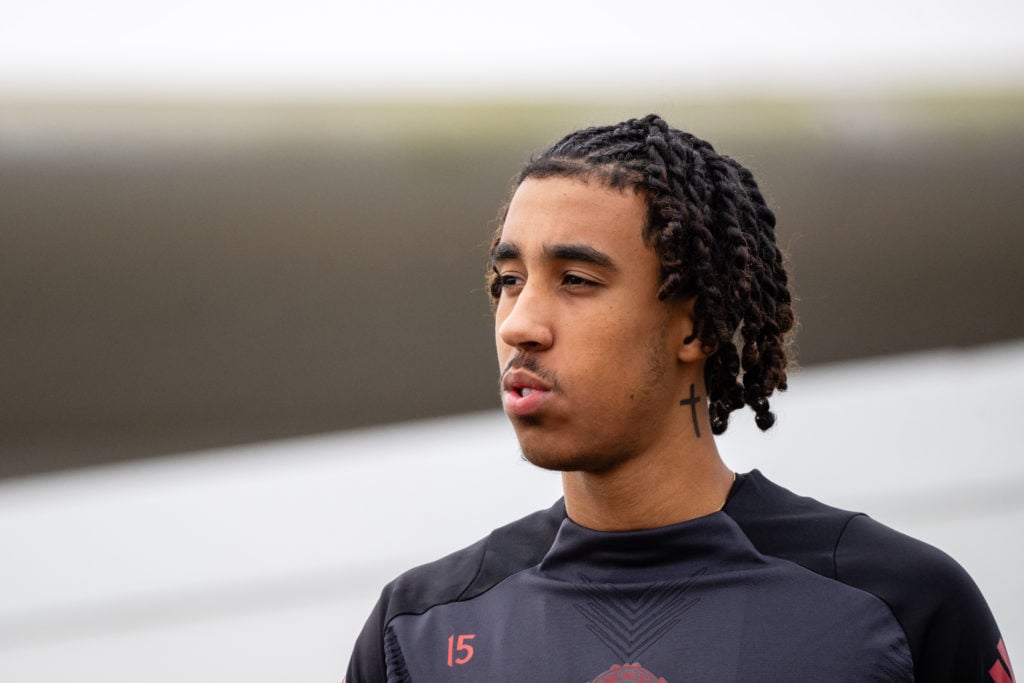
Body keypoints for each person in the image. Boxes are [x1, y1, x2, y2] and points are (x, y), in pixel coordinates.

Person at [345, 115, 1010, 682]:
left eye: (574, 279)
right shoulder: (418, 632)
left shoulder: (901, 605)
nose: (520, 322)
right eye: (509, 279)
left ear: (694, 324)